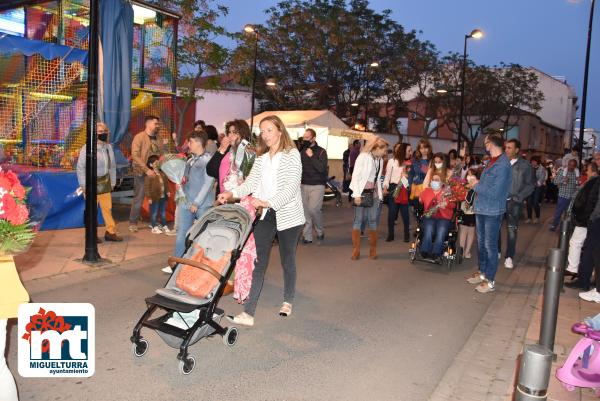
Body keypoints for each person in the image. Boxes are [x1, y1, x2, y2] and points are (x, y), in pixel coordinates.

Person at [217, 115, 305, 326]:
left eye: (269, 130)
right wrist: (231, 193)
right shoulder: (261, 158)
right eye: (262, 131)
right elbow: (250, 183)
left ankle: (288, 300)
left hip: (288, 215)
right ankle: (248, 313)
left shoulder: (292, 155)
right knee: (259, 261)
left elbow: (291, 188)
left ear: (280, 131)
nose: (265, 135)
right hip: (265, 214)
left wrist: (267, 202)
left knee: (287, 259)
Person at [162, 131, 215, 274]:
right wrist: (180, 184)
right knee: (181, 234)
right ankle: (176, 264)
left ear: (198, 142)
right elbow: (185, 179)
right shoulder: (191, 159)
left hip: (202, 205)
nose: (188, 145)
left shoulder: (208, 160)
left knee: (204, 237)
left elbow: (208, 184)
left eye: (190, 142)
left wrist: (196, 203)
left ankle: (205, 268)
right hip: (186, 203)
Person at [466, 133, 512, 294]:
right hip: (483, 208)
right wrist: (477, 182)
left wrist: (475, 184)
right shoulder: (492, 161)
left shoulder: (503, 165)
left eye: (486, 142)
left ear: (491, 144)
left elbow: (494, 192)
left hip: (492, 210)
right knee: (482, 244)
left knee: (490, 246)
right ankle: (483, 273)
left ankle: (490, 280)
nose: (485, 145)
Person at [76, 122, 123, 242]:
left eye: (104, 131)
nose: (102, 134)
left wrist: (112, 182)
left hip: (105, 183)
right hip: (91, 184)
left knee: (107, 209)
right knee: (92, 211)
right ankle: (91, 234)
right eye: (99, 132)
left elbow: (112, 167)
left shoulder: (109, 148)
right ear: (94, 134)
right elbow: (80, 168)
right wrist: (84, 185)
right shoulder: (87, 148)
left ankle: (110, 232)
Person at [349, 136, 388, 260]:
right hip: (361, 191)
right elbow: (355, 176)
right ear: (377, 148)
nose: (385, 152)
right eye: (384, 150)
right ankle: (356, 251)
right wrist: (356, 195)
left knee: (373, 220)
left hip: (374, 193)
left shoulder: (380, 160)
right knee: (358, 220)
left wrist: (380, 194)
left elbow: (377, 179)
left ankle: (373, 250)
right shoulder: (363, 157)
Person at [129, 115, 168, 232]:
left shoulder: (159, 138)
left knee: (156, 198)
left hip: (156, 172)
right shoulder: (139, 137)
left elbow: (163, 155)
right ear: (148, 124)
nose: (158, 126)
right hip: (142, 172)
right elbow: (135, 155)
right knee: (139, 197)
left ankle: (154, 222)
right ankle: (133, 222)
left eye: (158, 124)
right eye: (156, 124)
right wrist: (147, 170)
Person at [500, 139, 535, 269]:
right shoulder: (501, 163)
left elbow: (531, 185)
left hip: (514, 203)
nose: (506, 150)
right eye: (506, 147)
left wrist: (518, 197)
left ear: (517, 150)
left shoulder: (525, 166)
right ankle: (497, 251)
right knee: (496, 227)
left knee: (512, 230)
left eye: (509, 148)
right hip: (499, 201)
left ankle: (509, 256)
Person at [568, 175, 600, 301]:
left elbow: (593, 200)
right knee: (593, 251)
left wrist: (591, 217)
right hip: (594, 219)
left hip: (596, 220)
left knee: (592, 251)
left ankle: (591, 286)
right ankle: (593, 285)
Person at [564, 163, 599, 280]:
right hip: (587, 218)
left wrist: (584, 216)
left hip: (586, 219)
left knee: (577, 242)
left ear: (593, 171)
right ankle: (575, 269)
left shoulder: (593, 182)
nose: (586, 172)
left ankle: (574, 269)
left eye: (588, 170)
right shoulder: (592, 182)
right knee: (581, 243)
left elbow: (588, 201)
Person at [206, 119, 252, 194]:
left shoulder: (248, 152)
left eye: (234, 132)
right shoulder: (227, 150)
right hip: (222, 197)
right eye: (229, 132)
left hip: (239, 199)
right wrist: (221, 150)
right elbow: (210, 171)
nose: (230, 135)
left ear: (243, 134)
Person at [418, 173, 456, 261]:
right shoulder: (427, 191)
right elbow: (420, 200)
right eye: (433, 179)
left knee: (441, 229)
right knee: (429, 228)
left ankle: (437, 252)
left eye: (437, 180)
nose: (434, 181)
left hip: (444, 217)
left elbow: (453, 205)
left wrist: (446, 204)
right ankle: (425, 250)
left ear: (442, 182)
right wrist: (420, 199)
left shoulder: (447, 192)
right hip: (430, 216)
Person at [300, 128, 328, 244]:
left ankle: (320, 230)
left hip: (317, 185)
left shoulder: (321, 151)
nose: (305, 140)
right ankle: (307, 236)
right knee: (305, 211)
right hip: (303, 184)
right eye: (304, 138)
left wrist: (312, 156)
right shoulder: (301, 151)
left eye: (307, 138)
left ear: (314, 138)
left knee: (314, 209)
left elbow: (321, 168)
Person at [383, 142, 412, 242]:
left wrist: (404, 177)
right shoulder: (392, 161)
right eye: (409, 150)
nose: (410, 152)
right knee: (392, 213)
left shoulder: (409, 163)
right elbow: (387, 175)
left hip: (404, 189)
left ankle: (406, 235)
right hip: (393, 188)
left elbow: (408, 184)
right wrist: (385, 187)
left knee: (405, 214)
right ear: (403, 151)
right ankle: (391, 234)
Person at [144, 155, 172, 235]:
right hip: (154, 197)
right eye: (155, 163)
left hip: (163, 197)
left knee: (163, 212)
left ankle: (164, 225)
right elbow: (146, 187)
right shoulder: (149, 175)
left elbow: (166, 184)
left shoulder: (162, 174)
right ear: (150, 165)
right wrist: (149, 197)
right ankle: (154, 227)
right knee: (154, 212)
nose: (157, 164)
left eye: (158, 162)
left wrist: (167, 191)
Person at [550, 159, 579, 231]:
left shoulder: (576, 173)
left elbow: (577, 185)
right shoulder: (562, 171)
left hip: (572, 197)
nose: (571, 167)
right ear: (568, 164)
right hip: (562, 196)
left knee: (568, 214)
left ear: (575, 166)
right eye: (570, 165)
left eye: (573, 166)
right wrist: (563, 180)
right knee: (558, 213)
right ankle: (554, 226)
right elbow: (555, 182)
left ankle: (565, 228)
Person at [459, 168, 479, 259]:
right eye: (468, 174)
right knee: (463, 231)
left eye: (472, 175)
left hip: (474, 212)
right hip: (464, 211)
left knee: (471, 232)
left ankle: (467, 251)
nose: (470, 177)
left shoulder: (479, 187)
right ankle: (461, 251)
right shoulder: (463, 186)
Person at [409, 138, 433, 202]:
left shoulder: (432, 160)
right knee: (415, 209)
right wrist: (410, 184)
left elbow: (429, 173)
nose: (423, 150)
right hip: (415, 187)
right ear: (419, 149)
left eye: (425, 148)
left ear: (429, 148)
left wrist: (422, 167)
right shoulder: (415, 160)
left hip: (426, 188)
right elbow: (411, 174)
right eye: (421, 148)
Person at [526, 156, 547, 223]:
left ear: (537, 162)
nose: (532, 163)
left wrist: (536, 183)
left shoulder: (542, 169)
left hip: (538, 187)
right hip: (530, 187)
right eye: (531, 161)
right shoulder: (529, 167)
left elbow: (542, 178)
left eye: (534, 162)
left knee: (535, 202)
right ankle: (529, 217)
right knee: (528, 202)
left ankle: (537, 217)